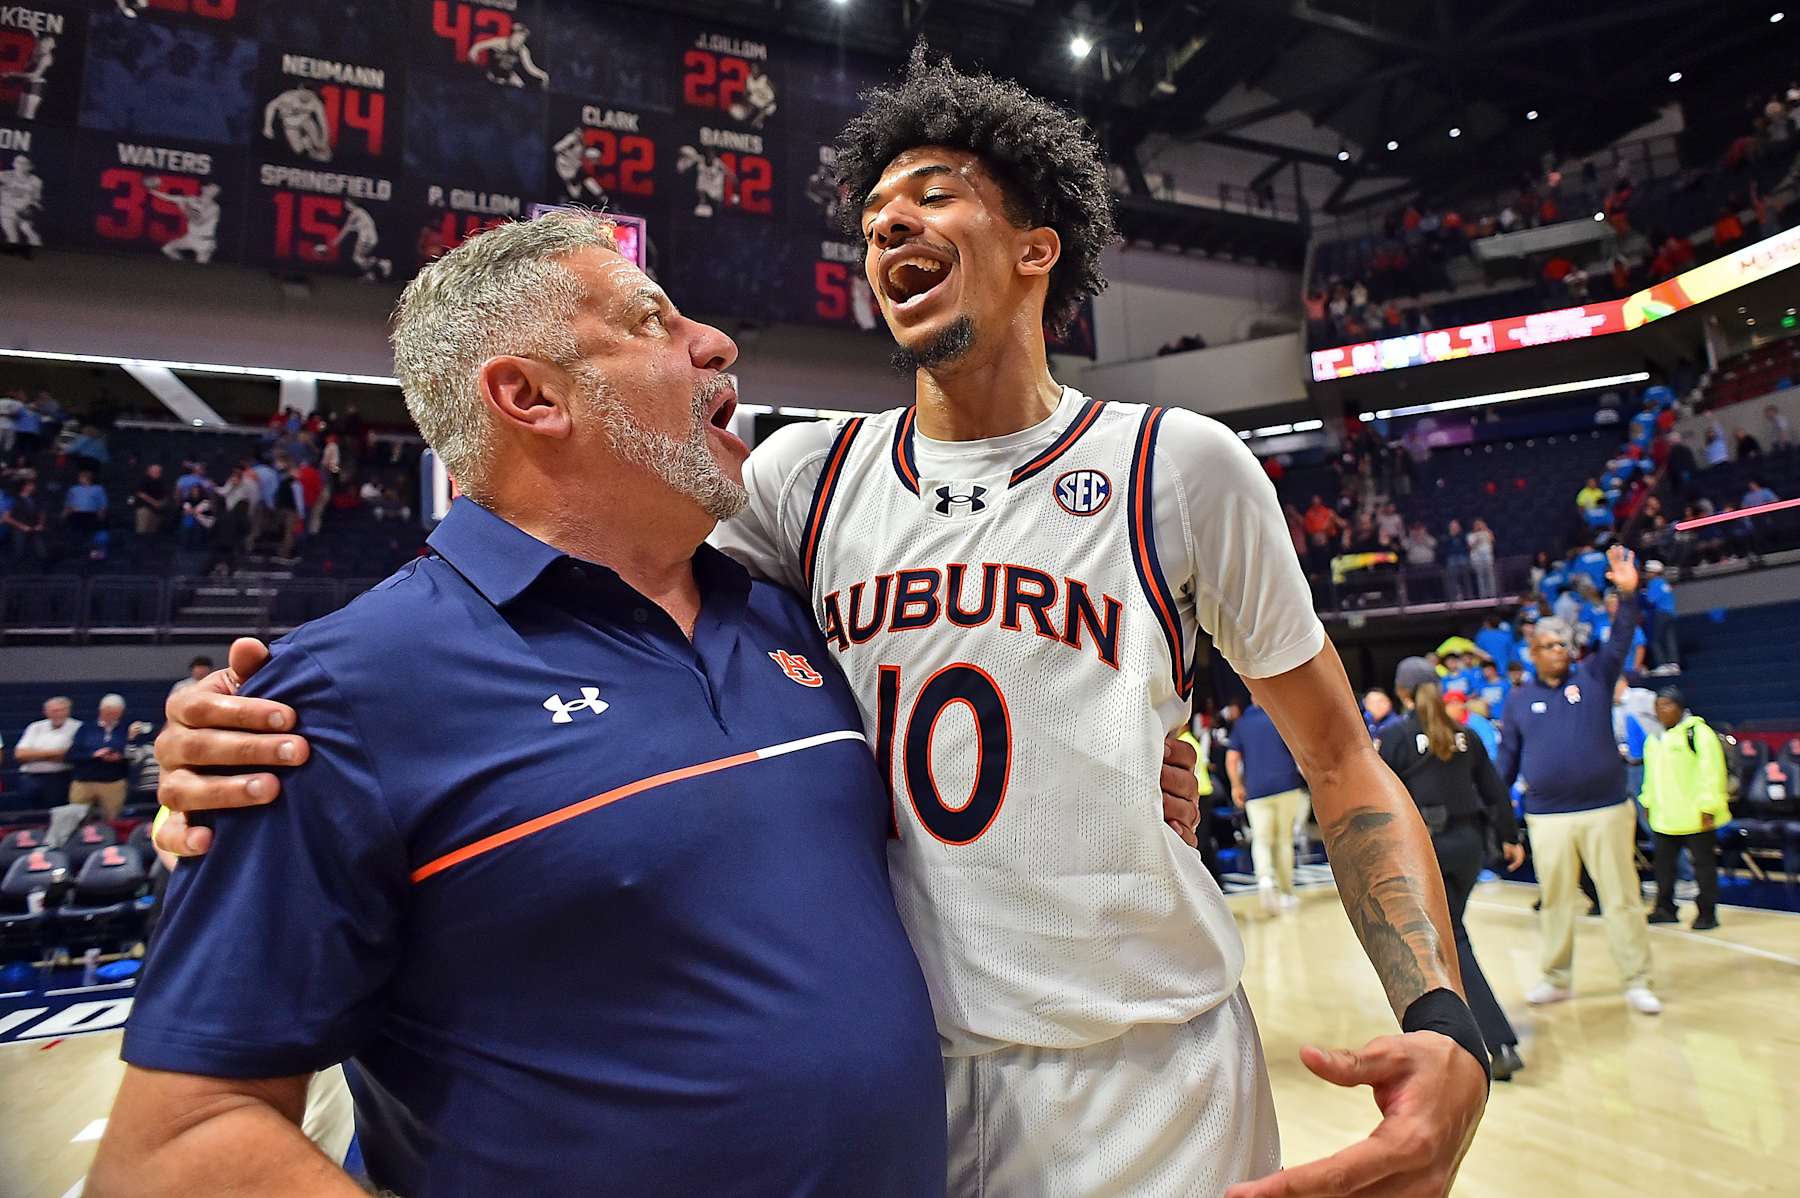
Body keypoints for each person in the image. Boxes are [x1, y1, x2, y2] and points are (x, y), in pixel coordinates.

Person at [154, 53, 1490, 1198]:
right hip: (912, 1084)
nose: (887, 226)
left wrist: (1443, 1016)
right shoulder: (802, 480)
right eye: (872, 215)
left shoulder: (1180, 464)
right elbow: (566, 557)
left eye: (933, 196)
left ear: (1038, 250)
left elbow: (1337, 750)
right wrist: (275, 720)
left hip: (1141, 1062)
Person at [91, 214, 948, 1197]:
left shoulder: (793, 618)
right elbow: (174, 1148)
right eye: (652, 321)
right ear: (529, 395)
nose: (715, 343)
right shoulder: (332, 698)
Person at [1497, 546, 1661, 1014]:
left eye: (1564, 644)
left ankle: (1636, 979)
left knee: (1622, 899)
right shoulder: (1518, 700)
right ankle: (1556, 977)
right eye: (1549, 646)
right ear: (1533, 654)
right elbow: (1506, 763)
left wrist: (1628, 595)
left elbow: (1622, 639)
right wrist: (1498, 814)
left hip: (1607, 808)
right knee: (1555, 902)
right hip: (1547, 817)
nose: (1559, 651)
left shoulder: (1594, 674)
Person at [1380, 662, 1527, 1081]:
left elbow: (1380, 797)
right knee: (1441, 942)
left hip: (1427, 850)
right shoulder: (1467, 735)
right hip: (1469, 848)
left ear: (1403, 693)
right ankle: (1456, 1033)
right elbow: (1494, 790)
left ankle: (1498, 1043)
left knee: (1450, 941)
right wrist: (1509, 836)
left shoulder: (1396, 737)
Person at [1639, 688, 1729, 930]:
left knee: (1703, 867)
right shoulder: (1654, 738)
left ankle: (1707, 913)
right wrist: (1647, 800)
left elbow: (1712, 772)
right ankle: (1665, 908)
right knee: (1663, 867)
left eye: (1667, 705)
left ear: (1680, 707)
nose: (1661, 711)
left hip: (1695, 814)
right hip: (1665, 815)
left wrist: (1709, 806)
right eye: (1658, 706)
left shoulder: (1698, 733)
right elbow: (1651, 776)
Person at [1227, 702, 1308, 913]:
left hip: (1256, 790)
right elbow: (1299, 748)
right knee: (1284, 840)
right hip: (1286, 784)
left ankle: (1264, 880)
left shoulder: (1242, 724)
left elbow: (1232, 757)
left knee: (1261, 840)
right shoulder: (1281, 716)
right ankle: (1286, 893)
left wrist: (1236, 785)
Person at [48, 694, 130, 847]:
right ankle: (75, 847)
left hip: (113, 782)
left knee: (112, 821)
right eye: (108, 711)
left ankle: (109, 847)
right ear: (101, 710)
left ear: (121, 712)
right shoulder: (86, 729)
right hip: (83, 781)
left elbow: (133, 753)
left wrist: (119, 757)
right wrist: (94, 755)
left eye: (115, 712)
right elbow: (71, 755)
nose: (111, 715)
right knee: (75, 818)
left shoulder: (126, 729)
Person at [12, 696, 81, 810]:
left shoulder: (78, 727)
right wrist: (54, 754)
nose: (57, 714)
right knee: (28, 815)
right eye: (53, 711)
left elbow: (68, 754)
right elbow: (20, 754)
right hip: (31, 778)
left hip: (60, 779)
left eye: (61, 710)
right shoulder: (35, 727)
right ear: (45, 712)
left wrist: (34, 754)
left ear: (68, 711)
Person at [63, 467, 109, 558]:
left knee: (93, 534)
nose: (79, 479)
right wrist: (64, 515)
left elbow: (103, 505)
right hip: (76, 515)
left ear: (87, 478)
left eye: (81, 477)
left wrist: (101, 515)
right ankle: (76, 552)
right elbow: (68, 504)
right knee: (75, 533)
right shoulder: (74, 489)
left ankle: (93, 553)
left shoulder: (98, 489)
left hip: (91, 515)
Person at [1643, 560, 1679, 673]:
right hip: (1670, 613)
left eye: (1648, 572)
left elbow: (1650, 600)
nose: (1646, 574)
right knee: (1669, 638)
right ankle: (1673, 663)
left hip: (1660, 613)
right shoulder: (1664, 583)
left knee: (1654, 639)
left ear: (1654, 572)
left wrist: (1642, 594)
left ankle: (1662, 664)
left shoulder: (1654, 583)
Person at [3, 477, 47, 561]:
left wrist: (41, 524)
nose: (33, 487)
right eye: (31, 485)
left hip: (34, 528)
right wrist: (21, 526)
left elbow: (41, 513)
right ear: (24, 487)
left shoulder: (36, 499)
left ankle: (43, 568)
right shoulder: (14, 499)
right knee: (19, 552)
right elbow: (6, 518)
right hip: (19, 529)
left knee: (41, 552)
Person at [133, 463, 170, 536]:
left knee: (152, 532)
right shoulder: (143, 480)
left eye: (159, 471)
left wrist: (161, 503)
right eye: (155, 471)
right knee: (142, 531)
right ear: (149, 471)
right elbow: (140, 494)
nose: (157, 473)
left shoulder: (161, 482)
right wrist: (154, 502)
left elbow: (166, 495)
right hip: (144, 508)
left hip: (156, 510)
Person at [1467, 519, 1497, 598]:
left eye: (1480, 524)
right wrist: (1477, 539)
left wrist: (1485, 529)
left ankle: (1492, 594)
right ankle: (1483, 595)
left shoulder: (1487, 532)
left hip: (1487, 555)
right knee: (1480, 576)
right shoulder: (1471, 535)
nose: (1478, 526)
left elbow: (1492, 539)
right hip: (1477, 557)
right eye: (1477, 525)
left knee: (1490, 575)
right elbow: (1470, 546)